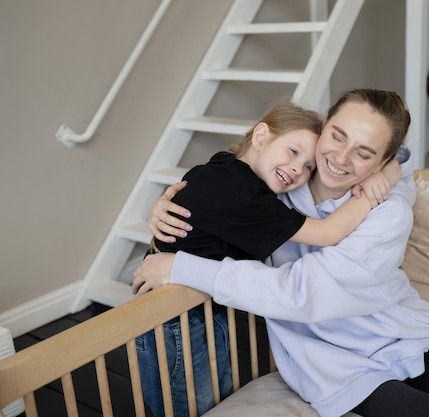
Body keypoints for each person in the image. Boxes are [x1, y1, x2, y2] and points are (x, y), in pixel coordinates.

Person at [133, 89, 429, 417]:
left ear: (380, 163)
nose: (340, 158)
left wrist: (182, 266)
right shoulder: (278, 185)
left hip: (398, 332)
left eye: (365, 154)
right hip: (330, 359)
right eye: (336, 136)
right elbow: (228, 183)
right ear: (324, 125)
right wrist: (163, 210)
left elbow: (303, 289)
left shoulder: (387, 212)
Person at [135, 100, 400, 417]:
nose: (298, 170)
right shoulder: (242, 192)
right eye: (293, 152)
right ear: (261, 136)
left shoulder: (228, 167)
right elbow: (329, 232)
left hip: (201, 302)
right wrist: (381, 183)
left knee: (214, 394)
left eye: (308, 167)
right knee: (188, 403)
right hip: (172, 313)